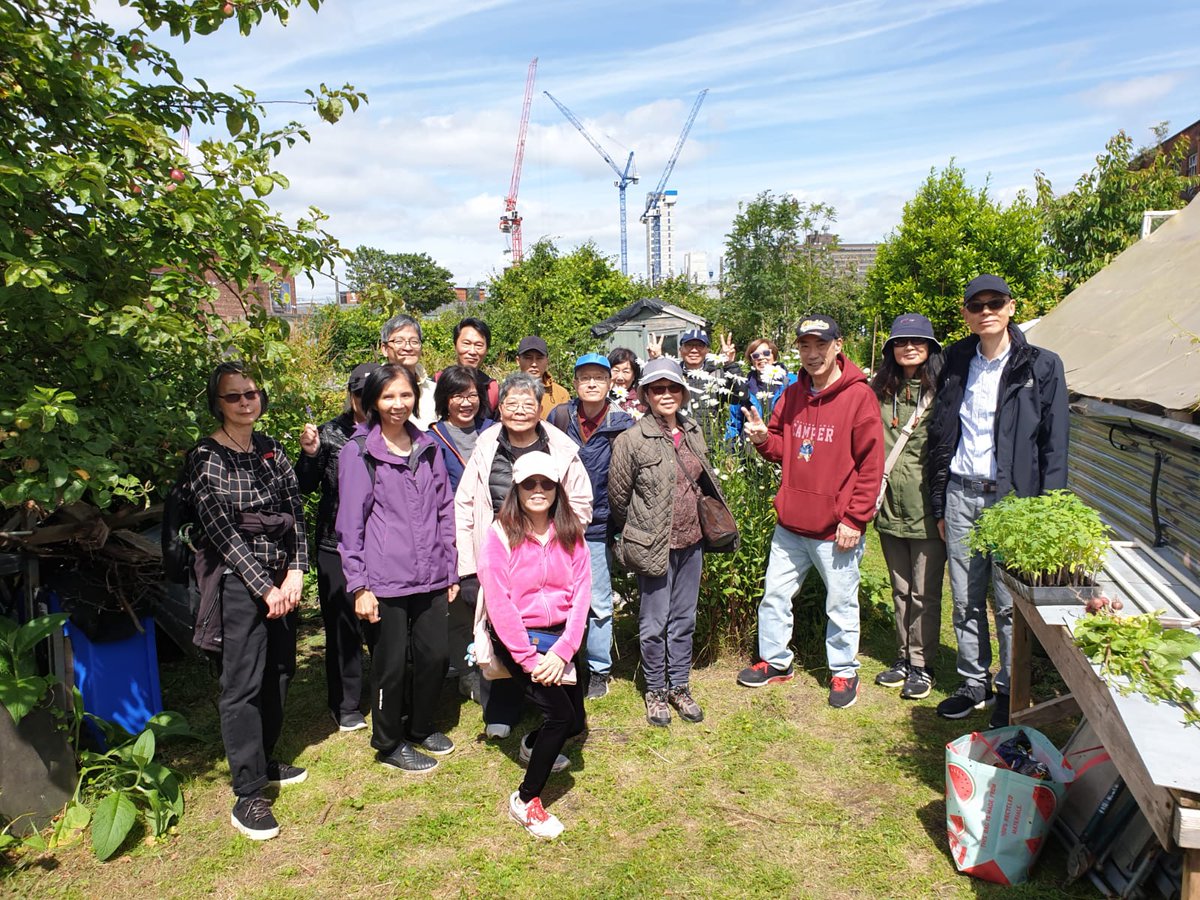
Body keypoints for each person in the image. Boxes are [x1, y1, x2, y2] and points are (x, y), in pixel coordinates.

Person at [927, 275, 1068, 728]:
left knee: (1009, 603)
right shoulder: (955, 361)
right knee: (965, 597)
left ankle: (1010, 687)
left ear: (1011, 307)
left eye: (995, 303)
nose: (986, 311)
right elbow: (941, 433)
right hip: (961, 493)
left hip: (1013, 502)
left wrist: (1045, 512)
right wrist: (939, 502)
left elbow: (1055, 445)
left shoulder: (1040, 365)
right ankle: (973, 682)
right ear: (966, 314)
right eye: (976, 305)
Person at [736, 315, 884, 709]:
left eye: (821, 344)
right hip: (791, 524)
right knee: (774, 596)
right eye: (805, 345)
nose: (813, 353)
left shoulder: (859, 396)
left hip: (836, 528)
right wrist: (763, 439)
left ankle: (844, 671)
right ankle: (776, 661)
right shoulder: (792, 394)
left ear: (838, 346)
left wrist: (855, 518)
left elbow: (871, 465)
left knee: (840, 603)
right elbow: (782, 448)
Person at [186, 361, 307, 841]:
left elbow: (295, 511)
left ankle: (263, 758)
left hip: (282, 576)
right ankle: (248, 793)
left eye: (250, 393)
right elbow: (221, 532)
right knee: (242, 684)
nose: (244, 402)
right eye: (233, 396)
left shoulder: (271, 449)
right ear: (217, 403)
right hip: (239, 581)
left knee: (280, 671)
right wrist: (264, 587)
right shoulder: (206, 456)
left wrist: (296, 570)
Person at [455, 373, 593, 739]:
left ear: (540, 407)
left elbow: (581, 501)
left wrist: (558, 535)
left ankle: (557, 700)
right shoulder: (486, 446)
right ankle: (502, 709)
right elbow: (465, 506)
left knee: (554, 621)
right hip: (499, 553)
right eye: (511, 403)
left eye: (527, 403)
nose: (519, 410)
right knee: (502, 627)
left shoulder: (560, 447)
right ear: (500, 408)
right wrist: (467, 570)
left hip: (549, 551)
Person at [336, 364, 459, 773]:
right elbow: (350, 524)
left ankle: (420, 726)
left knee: (435, 656)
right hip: (384, 579)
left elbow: (444, 509)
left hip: (431, 574)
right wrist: (359, 585)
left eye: (405, 395)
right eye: (388, 396)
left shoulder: (428, 445)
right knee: (389, 665)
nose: (397, 404)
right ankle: (388, 742)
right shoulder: (359, 452)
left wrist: (450, 569)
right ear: (373, 400)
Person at [609, 358, 733, 726]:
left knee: (684, 619)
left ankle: (679, 685)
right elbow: (619, 499)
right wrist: (641, 531)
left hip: (692, 541)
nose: (666, 394)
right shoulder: (632, 440)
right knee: (653, 623)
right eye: (658, 388)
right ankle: (655, 689)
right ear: (645, 394)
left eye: (673, 387)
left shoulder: (693, 431)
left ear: (683, 392)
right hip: (653, 545)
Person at [478, 452, 590, 840]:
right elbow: (499, 604)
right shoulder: (499, 535)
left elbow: (582, 595)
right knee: (559, 715)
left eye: (546, 483)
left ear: (557, 488)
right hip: (518, 639)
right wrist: (529, 660)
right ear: (517, 489)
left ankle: (533, 744)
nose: (538, 490)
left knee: (574, 723)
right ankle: (526, 800)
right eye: (529, 484)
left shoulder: (571, 532)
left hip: (561, 638)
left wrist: (563, 651)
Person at [546, 353, 635, 700]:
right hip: (559, 523)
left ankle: (599, 670)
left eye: (599, 377)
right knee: (557, 597)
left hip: (599, 526)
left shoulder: (622, 423)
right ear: (576, 383)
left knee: (598, 602)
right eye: (585, 378)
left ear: (611, 383)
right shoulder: (559, 417)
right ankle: (560, 660)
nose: (593, 383)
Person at [296, 363, 379, 733]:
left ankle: (388, 694)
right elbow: (304, 485)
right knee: (342, 625)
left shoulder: (393, 431)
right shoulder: (329, 433)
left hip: (382, 542)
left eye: (373, 393)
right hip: (336, 542)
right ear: (351, 394)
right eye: (360, 394)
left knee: (383, 623)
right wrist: (310, 454)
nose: (366, 401)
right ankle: (345, 704)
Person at [869, 314, 945, 702]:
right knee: (900, 589)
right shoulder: (879, 392)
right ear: (891, 350)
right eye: (901, 341)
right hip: (888, 506)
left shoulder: (944, 392)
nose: (909, 347)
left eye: (918, 341)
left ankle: (921, 663)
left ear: (930, 347)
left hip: (926, 507)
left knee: (924, 593)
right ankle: (902, 657)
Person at [427, 365, 496, 695]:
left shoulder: (494, 431)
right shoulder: (432, 439)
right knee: (461, 604)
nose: (466, 402)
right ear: (445, 399)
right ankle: (469, 671)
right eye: (457, 395)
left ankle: (499, 664)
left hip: (496, 528)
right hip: (454, 531)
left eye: (471, 395)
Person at [648, 328, 739, 437]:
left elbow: (739, 397)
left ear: (707, 350)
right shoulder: (671, 375)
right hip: (676, 439)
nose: (694, 350)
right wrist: (655, 361)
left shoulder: (717, 375)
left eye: (700, 346)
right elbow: (648, 394)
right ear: (680, 350)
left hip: (709, 441)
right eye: (689, 345)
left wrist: (730, 364)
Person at [725, 338, 798, 441]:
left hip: (783, 443)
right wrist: (729, 445)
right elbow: (734, 423)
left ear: (774, 357)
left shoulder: (793, 382)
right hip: (753, 445)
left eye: (766, 353)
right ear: (751, 361)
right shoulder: (744, 388)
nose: (761, 358)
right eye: (755, 355)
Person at [380, 314, 436, 429]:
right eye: (399, 341)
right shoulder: (371, 388)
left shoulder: (435, 390)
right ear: (385, 349)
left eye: (414, 341)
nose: (408, 347)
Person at [452, 317, 499, 418]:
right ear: (455, 346)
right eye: (466, 344)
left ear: (487, 350)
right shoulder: (438, 382)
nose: (472, 351)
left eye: (479, 345)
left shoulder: (491, 389)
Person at [516, 335, 570, 418]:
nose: (534, 364)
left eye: (539, 358)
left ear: (547, 361)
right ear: (518, 361)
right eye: (528, 358)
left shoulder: (561, 395)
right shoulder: (507, 391)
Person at [607, 346, 645, 416]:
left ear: (634, 376)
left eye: (626, 371)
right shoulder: (599, 397)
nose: (620, 377)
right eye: (616, 370)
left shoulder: (640, 401)